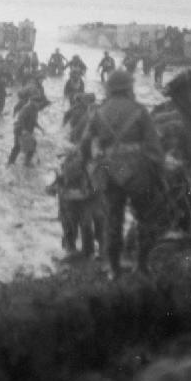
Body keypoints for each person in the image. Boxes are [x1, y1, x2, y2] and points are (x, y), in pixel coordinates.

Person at [80, 69, 167, 279]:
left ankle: (114, 268)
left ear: (109, 88)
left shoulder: (98, 112)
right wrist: (159, 173)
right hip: (137, 170)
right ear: (129, 88)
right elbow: (154, 148)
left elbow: (84, 143)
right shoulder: (139, 110)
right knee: (146, 216)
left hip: (110, 170)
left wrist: (88, 165)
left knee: (113, 218)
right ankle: (142, 265)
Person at [7, 99, 44, 166]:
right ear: (32, 101)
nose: (38, 104)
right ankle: (10, 162)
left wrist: (40, 128)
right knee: (17, 146)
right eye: (37, 102)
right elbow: (20, 118)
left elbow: (34, 121)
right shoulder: (26, 108)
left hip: (27, 131)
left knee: (33, 144)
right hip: (20, 129)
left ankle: (26, 161)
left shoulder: (35, 110)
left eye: (39, 103)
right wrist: (23, 130)